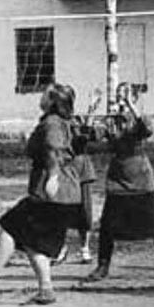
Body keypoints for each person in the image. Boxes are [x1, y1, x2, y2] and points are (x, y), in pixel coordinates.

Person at [0, 82, 83, 305]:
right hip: (67, 192)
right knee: (33, 242)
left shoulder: (52, 123)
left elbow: (53, 150)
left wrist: (53, 177)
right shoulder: (64, 122)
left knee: (11, 225)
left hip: (52, 190)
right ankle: (46, 289)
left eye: (46, 95)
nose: (41, 97)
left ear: (53, 101)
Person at [81, 82, 154, 282]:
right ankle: (102, 267)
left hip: (141, 179)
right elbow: (88, 138)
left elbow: (147, 129)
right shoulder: (111, 122)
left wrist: (130, 106)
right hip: (118, 181)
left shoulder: (138, 120)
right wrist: (91, 109)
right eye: (118, 96)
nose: (120, 101)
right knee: (107, 226)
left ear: (133, 99)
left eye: (125, 96)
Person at [58, 87, 102, 264]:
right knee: (61, 211)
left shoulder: (77, 121)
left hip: (81, 170)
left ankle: (85, 247)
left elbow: (84, 138)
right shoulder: (55, 122)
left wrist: (91, 111)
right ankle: (61, 248)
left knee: (84, 211)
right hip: (63, 170)